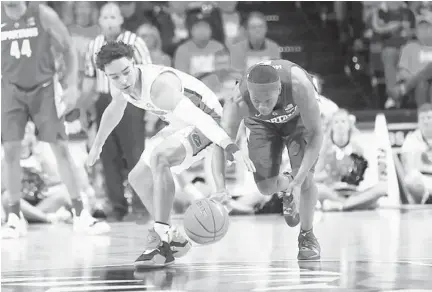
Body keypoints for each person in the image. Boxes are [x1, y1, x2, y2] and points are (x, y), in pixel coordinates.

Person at [86, 41, 255, 268]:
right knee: (137, 178)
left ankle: (160, 240)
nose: (123, 80)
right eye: (115, 77)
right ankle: (174, 238)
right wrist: (97, 145)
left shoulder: (159, 88)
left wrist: (228, 145)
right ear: (107, 75)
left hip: (209, 122)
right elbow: (114, 109)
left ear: (134, 63)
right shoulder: (121, 84)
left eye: (126, 72)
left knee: (161, 158)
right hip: (179, 125)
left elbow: (199, 118)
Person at [1, 1, 109, 239]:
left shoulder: (42, 14)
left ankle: (81, 214)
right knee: (10, 151)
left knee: (60, 148)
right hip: (10, 90)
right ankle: (14, 217)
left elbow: (69, 48)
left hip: (44, 89)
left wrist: (71, 86)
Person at [222, 59, 323, 260]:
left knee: (307, 180)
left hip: (297, 120)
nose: (261, 105)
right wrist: (219, 186)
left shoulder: (299, 85)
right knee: (266, 188)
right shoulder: (237, 99)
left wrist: (299, 180)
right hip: (261, 124)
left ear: (279, 89)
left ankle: (307, 235)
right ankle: (287, 182)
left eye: (267, 100)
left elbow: (316, 135)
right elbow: (222, 141)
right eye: (256, 101)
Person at [82, 3, 152, 221]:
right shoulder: (93, 45)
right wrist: (86, 112)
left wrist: (150, 113)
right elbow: (88, 81)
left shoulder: (135, 42)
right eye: (105, 17)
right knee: (107, 156)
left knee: (135, 156)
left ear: (121, 19)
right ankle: (116, 207)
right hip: (103, 101)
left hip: (132, 102)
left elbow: (148, 76)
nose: (109, 21)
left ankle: (142, 206)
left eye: (113, 17)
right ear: (99, 21)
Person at [314, 109, 387, 211]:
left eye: (343, 122)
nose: (340, 125)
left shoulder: (358, 149)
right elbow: (314, 177)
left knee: (382, 188)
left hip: (354, 192)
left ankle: (341, 206)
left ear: (349, 125)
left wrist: (352, 175)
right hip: (332, 192)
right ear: (332, 127)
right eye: (336, 122)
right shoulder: (324, 149)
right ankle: (353, 205)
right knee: (317, 189)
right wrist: (329, 174)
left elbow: (366, 177)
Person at [401, 103, 432, 204]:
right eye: (422, 118)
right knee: (410, 179)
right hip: (423, 181)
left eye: (429, 117)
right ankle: (427, 200)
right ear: (418, 122)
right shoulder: (411, 140)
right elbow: (408, 169)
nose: (426, 121)